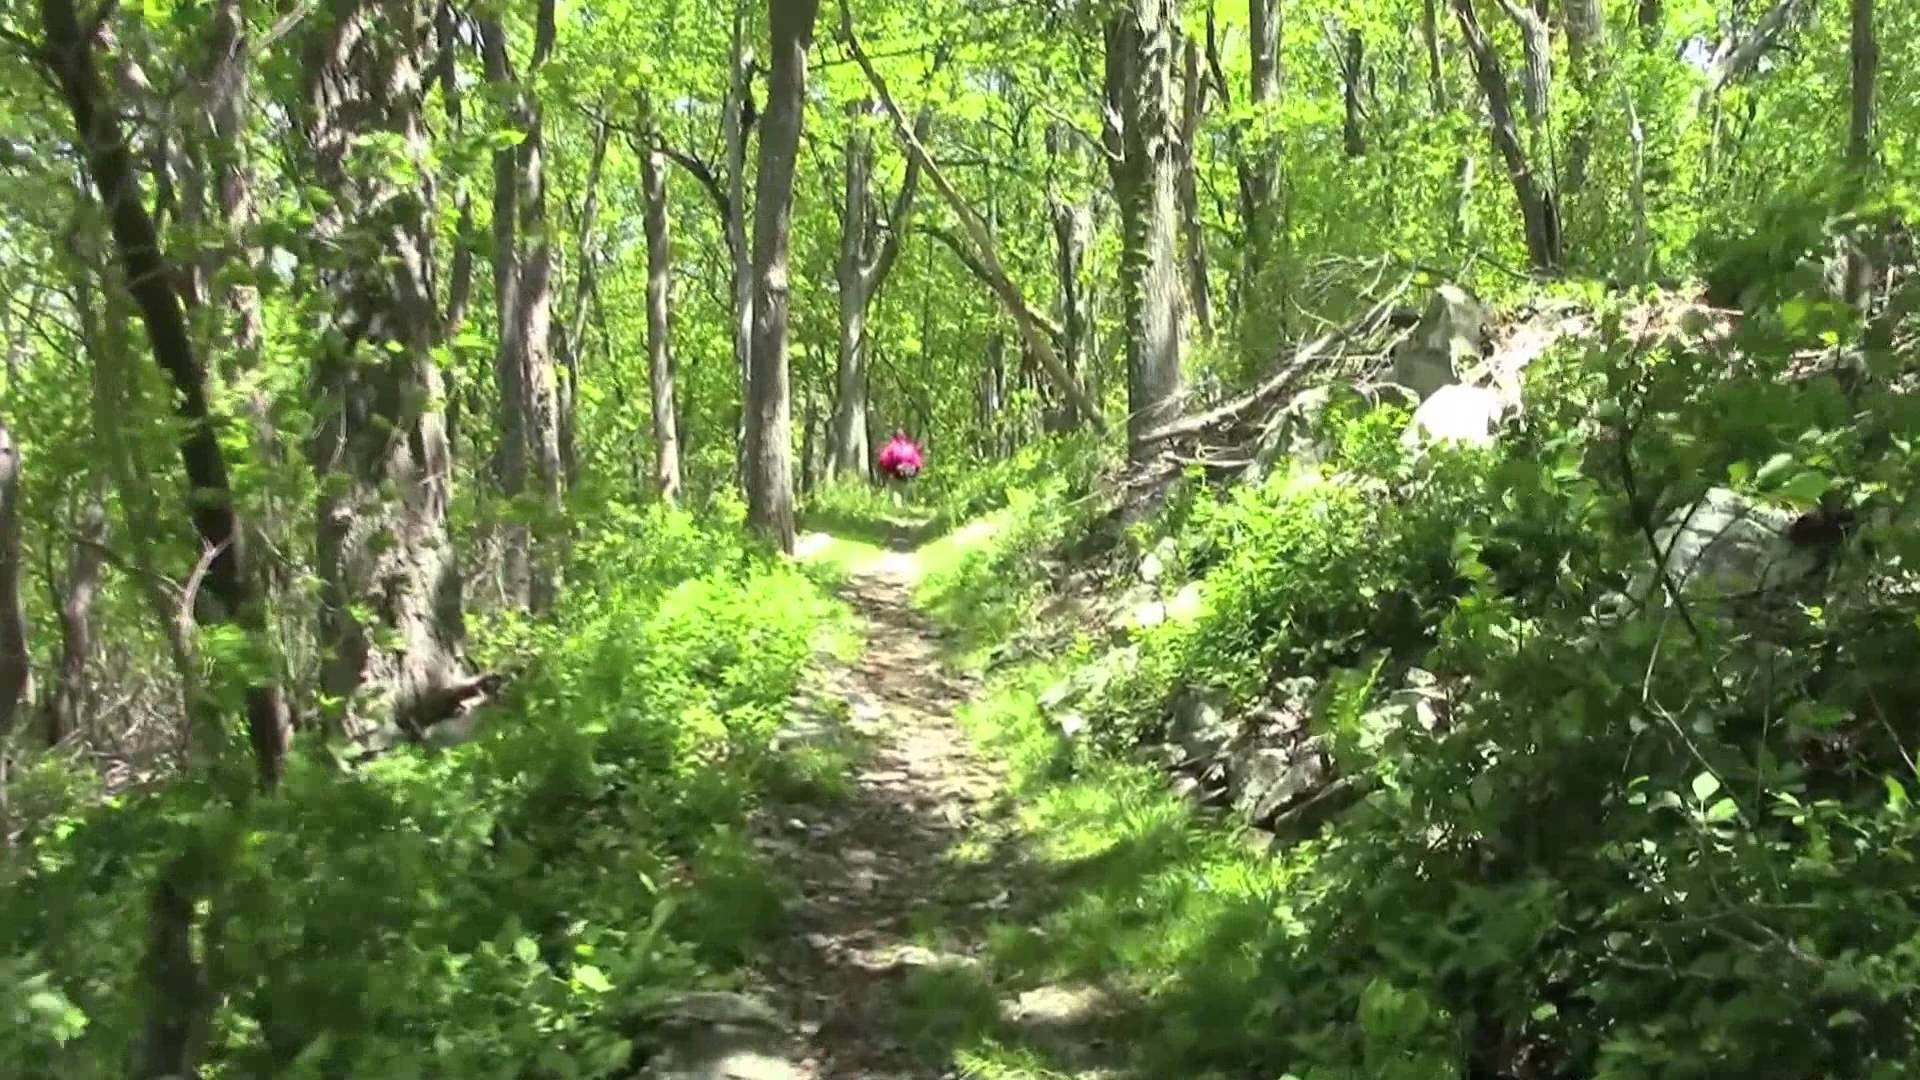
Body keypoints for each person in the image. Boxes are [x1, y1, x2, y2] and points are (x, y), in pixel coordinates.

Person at [877, 428, 923, 506]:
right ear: (904, 436)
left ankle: (898, 506)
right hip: (908, 472)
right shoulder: (910, 447)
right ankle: (904, 504)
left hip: (897, 472)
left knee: (895, 489)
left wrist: (887, 470)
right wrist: (916, 471)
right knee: (903, 488)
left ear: (894, 436)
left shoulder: (892, 447)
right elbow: (917, 462)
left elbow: (884, 459)